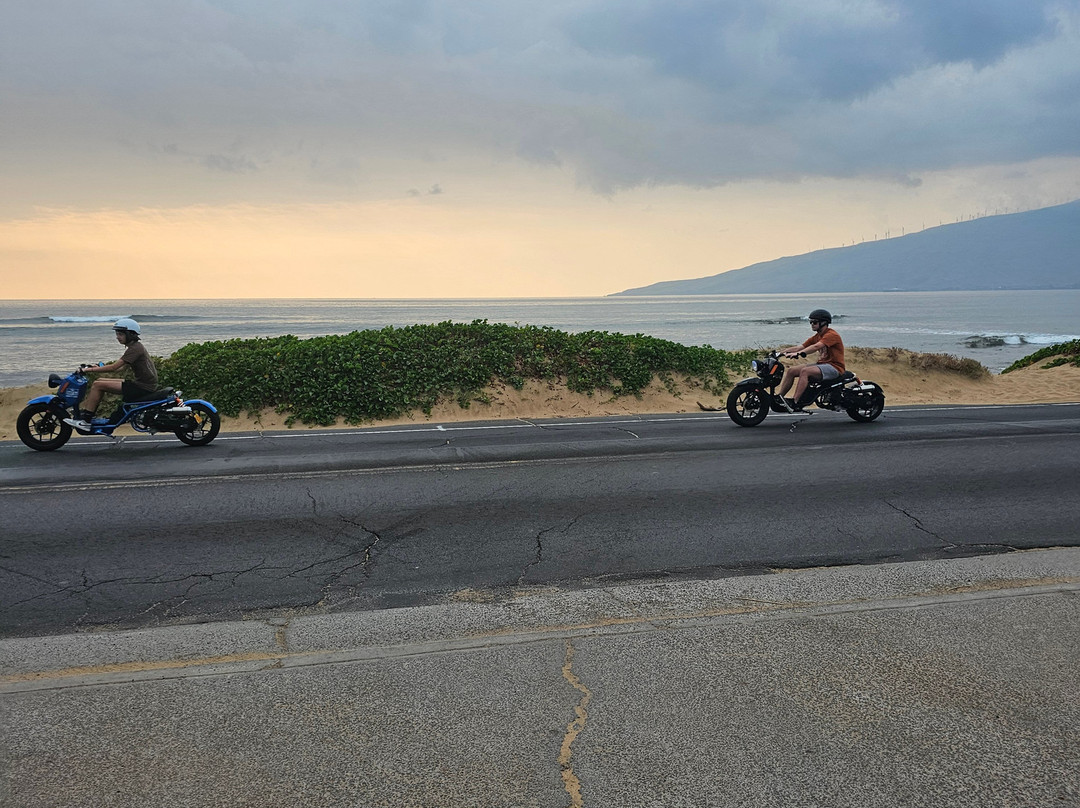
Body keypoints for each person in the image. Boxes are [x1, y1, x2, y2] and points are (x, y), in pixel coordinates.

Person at [64, 318, 159, 430]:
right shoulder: (136, 347)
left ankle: (86, 420)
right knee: (98, 381)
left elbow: (114, 367)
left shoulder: (134, 349)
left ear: (129, 334)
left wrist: (87, 370)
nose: (117, 337)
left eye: (120, 334)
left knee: (97, 385)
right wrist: (99, 368)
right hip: (141, 384)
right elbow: (121, 369)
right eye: (117, 334)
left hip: (142, 387)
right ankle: (86, 413)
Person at [774, 308, 844, 412]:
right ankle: (780, 398)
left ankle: (795, 402)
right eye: (810, 322)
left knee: (805, 371)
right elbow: (800, 347)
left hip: (834, 367)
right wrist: (780, 353)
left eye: (814, 322)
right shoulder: (817, 336)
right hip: (822, 366)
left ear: (824, 322)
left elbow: (816, 347)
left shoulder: (831, 335)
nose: (812, 324)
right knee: (791, 371)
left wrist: (799, 354)